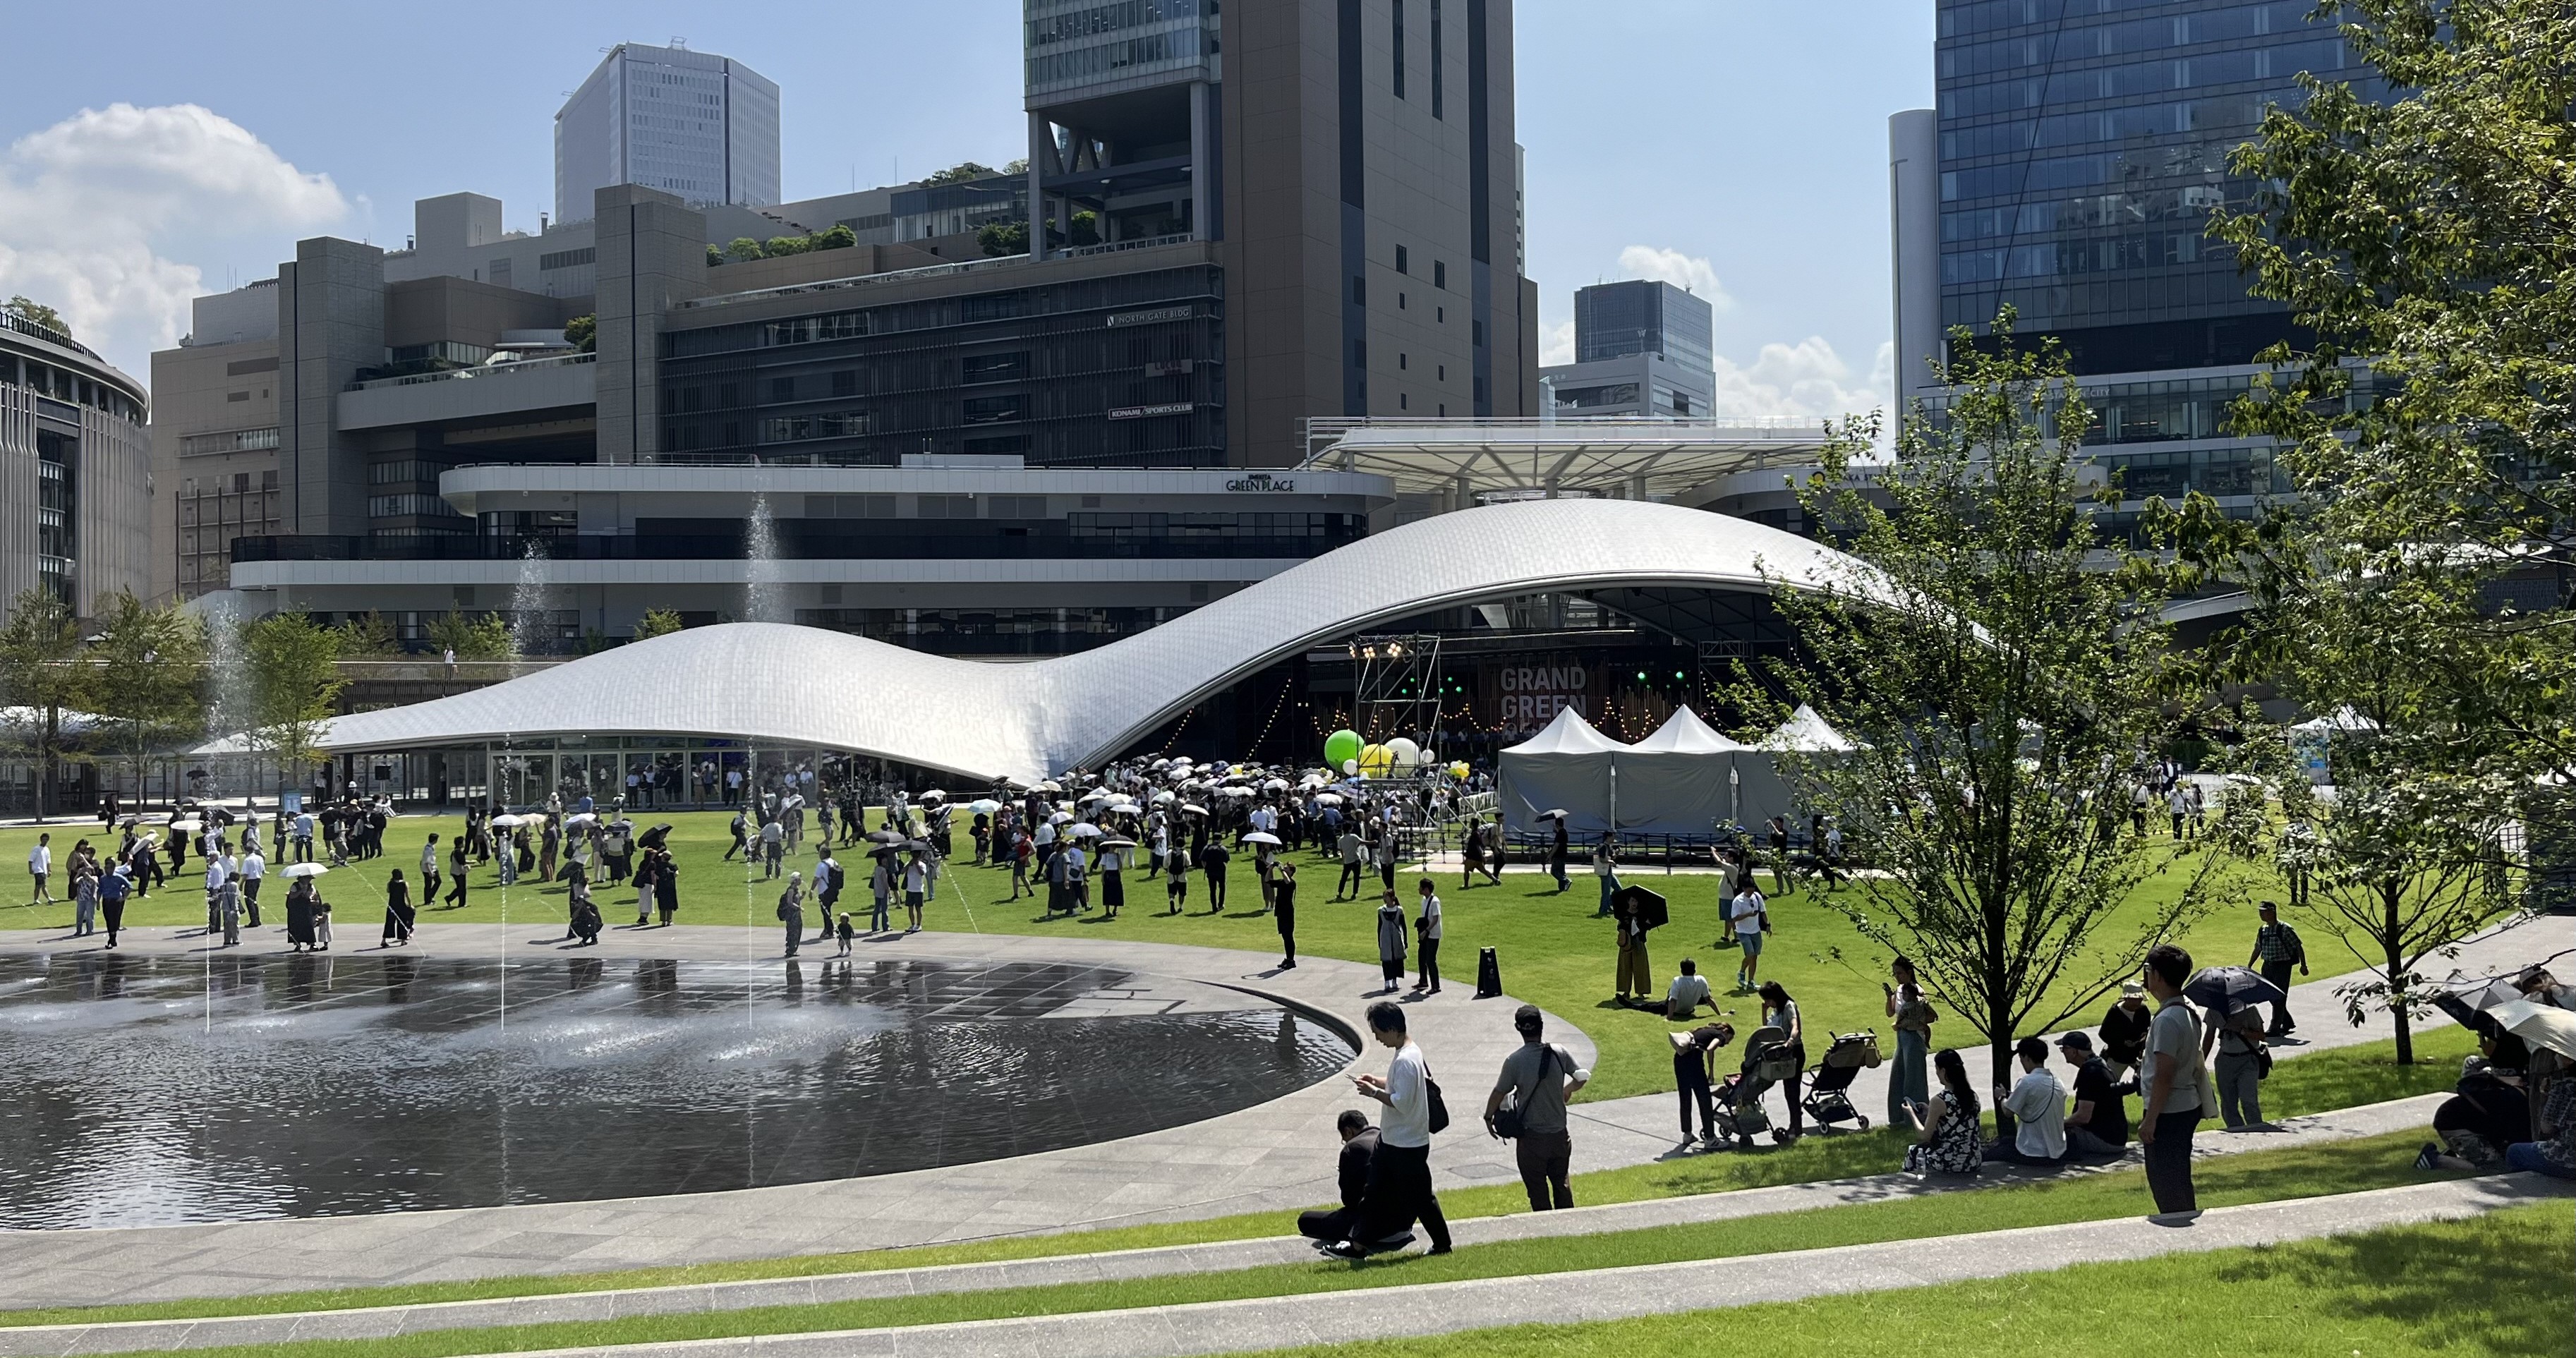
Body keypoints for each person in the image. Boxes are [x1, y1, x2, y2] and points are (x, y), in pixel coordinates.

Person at [1323, 1001, 1451, 1259]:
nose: (1377, 1038)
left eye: (1378, 1032)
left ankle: (1442, 1245)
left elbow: (1402, 1101)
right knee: (1373, 1193)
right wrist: (1378, 1080)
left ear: (1392, 1029)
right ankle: (1357, 1246)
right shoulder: (1410, 1051)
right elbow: (1401, 1086)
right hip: (1393, 1140)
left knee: (1421, 1198)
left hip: (1405, 1145)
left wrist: (1373, 1093)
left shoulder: (1405, 1060)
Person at [1484, 1004, 1590, 1211]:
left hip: (1531, 1140)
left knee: (1537, 1191)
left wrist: (1489, 1117)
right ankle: (1570, 1226)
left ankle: (1546, 1230)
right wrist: (1566, 1091)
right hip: (1560, 1136)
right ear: (1541, 1026)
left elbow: (1499, 1093)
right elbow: (1582, 1076)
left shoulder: (1514, 1061)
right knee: (1562, 1184)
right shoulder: (1560, 1052)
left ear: (1518, 1028)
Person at [2139, 943, 2215, 1223]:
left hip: (2169, 1111)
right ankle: (2183, 1216)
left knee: (2166, 1178)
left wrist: (2151, 1120)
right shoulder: (2185, 1010)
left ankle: (2179, 1225)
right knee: (2177, 1175)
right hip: (2184, 1105)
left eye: (2147, 971)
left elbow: (2164, 1074)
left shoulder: (2168, 1019)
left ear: (2157, 975)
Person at [1298, 1110, 1379, 1244]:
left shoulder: (1352, 1149)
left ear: (1348, 1131)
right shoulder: (1384, 1137)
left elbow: (1349, 1200)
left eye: (1344, 1139)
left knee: (1305, 1220)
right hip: (1400, 1218)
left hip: (1368, 1219)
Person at [1988, 1035, 2069, 1165]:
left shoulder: (2027, 1082)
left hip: (2034, 1152)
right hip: (2057, 1150)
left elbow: (2008, 1112)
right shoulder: (2057, 1081)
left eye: (2021, 1058)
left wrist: (2002, 1096)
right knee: (2006, 1142)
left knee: (1993, 1153)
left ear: (2026, 1058)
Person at [1904, 1048, 1984, 1176]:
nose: (1936, 1073)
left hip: (1950, 1161)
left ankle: (1913, 1184)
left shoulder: (1939, 1100)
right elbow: (1956, 1117)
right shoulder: (1972, 1096)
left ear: (1943, 1071)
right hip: (1973, 1159)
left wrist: (1912, 1114)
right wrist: (1930, 1111)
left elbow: (1924, 1136)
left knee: (1914, 1151)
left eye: (1937, 1069)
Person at [2058, 1031, 2130, 1158]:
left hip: (2103, 1140)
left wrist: (2059, 1124)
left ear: (2074, 1051)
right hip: (2116, 1138)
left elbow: (2083, 1117)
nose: (2062, 1051)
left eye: (2064, 1048)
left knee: (2049, 1136)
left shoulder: (2090, 1073)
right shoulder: (2100, 1064)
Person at [1885, 956, 1936, 1127]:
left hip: (1914, 1038)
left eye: (1900, 973)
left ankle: (1917, 1119)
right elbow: (1891, 1012)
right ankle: (1898, 1118)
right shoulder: (1900, 990)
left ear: (1909, 972)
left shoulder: (1916, 992)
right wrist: (1889, 996)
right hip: (1901, 1037)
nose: (1897, 977)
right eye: (1895, 974)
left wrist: (1913, 1023)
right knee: (1899, 1076)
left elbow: (1929, 1016)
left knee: (1914, 1080)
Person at [2247, 900, 2309, 1038]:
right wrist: (2250, 965)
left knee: (2279, 997)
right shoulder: (2263, 930)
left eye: (2264, 911)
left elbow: (2298, 946)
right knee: (2269, 994)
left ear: (2272, 912)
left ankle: (2275, 1028)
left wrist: (2303, 965)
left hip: (2282, 966)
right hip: (2267, 966)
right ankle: (2287, 1022)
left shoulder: (2285, 929)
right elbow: (2258, 947)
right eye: (2260, 911)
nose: (2261, 914)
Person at [2208, 1000, 2272, 1131]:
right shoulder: (2213, 1011)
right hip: (2225, 1061)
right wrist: (2201, 1060)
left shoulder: (2249, 1010)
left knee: (2249, 1100)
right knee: (2228, 1103)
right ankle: (2237, 1131)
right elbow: (2209, 1035)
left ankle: (2256, 1130)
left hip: (2248, 1059)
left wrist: (2241, 1031)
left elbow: (2261, 1036)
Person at [1758, 981, 1807, 1139]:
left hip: (1794, 1051)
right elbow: (1768, 1029)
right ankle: (1795, 1125)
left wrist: (1791, 1040)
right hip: (1784, 1053)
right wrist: (1764, 1012)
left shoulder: (1788, 1006)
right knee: (1789, 1092)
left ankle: (1797, 1128)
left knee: (1792, 1091)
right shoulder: (1777, 1010)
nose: (1767, 1003)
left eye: (1768, 1000)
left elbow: (1795, 1025)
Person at [2505, 1072, 2576, 1180]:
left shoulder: (2564, 1086)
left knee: (2514, 1151)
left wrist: (2546, 1096)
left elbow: (2546, 1128)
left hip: (2567, 1159)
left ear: (2569, 1060)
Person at [1674, 1018, 1731, 1146]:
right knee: (1704, 1098)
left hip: (1679, 1059)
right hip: (1694, 1062)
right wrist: (1711, 1071)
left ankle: (1687, 1134)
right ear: (1726, 1031)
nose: (1727, 1043)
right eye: (1729, 1039)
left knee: (1685, 1097)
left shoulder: (1703, 1030)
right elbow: (1711, 1049)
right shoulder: (1719, 1035)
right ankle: (1710, 1139)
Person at [2098, 983, 2153, 1081]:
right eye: (2135, 1000)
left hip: (2138, 1056)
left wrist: (2142, 1039)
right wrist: (2122, 1042)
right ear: (2126, 999)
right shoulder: (2114, 1013)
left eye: (2139, 1000)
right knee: (2109, 1082)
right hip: (2118, 1056)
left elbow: (2147, 1030)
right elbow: (2104, 1034)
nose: (2138, 1003)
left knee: (2148, 1081)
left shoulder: (2144, 1011)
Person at [1613, 890, 1655, 1005]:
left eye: (1636, 901)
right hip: (1627, 943)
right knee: (1625, 967)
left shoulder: (1642, 914)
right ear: (1628, 902)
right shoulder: (1623, 914)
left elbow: (1646, 927)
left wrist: (1646, 924)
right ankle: (1626, 991)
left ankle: (1641, 991)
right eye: (1632, 901)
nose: (1634, 903)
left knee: (1640, 966)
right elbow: (1620, 928)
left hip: (1639, 942)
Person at [1728, 881, 1768, 993]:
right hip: (1743, 931)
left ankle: (1751, 981)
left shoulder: (1757, 897)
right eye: (1749, 890)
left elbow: (1763, 912)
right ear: (1744, 889)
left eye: (1753, 890)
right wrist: (1749, 915)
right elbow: (1734, 918)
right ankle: (1741, 972)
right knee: (1750, 954)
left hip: (1755, 931)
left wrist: (1768, 925)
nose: (1751, 893)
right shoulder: (1738, 901)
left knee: (1754, 956)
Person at [1374, 889, 1409, 993]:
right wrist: (1379, 940)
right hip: (1385, 938)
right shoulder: (1381, 910)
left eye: (1387, 896)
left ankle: (1394, 981)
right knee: (1386, 960)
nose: (1385, 899)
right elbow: (1379, 926)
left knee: (1396, 959)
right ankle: (1387, 982)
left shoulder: (1399, 910)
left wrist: (1406, 940)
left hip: (1396, 939)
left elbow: (1404, 926)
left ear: (1392, 898)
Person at [1413, 878, 1444, 994]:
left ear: (1426, 889)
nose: (1419, 889)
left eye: (1421, 887)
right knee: (1422, 957)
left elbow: (1436, 918)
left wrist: (1426, 931)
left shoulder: (1435, 901)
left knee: (1430, 960)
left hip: (1433, 935)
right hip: (1425, 933)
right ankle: (1423, 981)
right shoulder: (1424, 900)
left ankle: (1436, 986)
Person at [1665, 957, 1715, 1021]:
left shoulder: (1677, 981)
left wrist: (1669, 1017)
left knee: (1652, 1006)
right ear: (1694, 971)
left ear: (1681, 971)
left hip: (1675, 1010)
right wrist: (1720, 1014)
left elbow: (1673, 1000)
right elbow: (1709, 999)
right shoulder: (1701, 980)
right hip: (1689, 1009)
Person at [97, 863, 130, 949]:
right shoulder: (103, 878)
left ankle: (112, 939)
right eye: (106, 868)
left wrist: (124, 897)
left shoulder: (118, 878)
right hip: (106, 900)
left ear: (113, 868)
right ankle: (112, 938)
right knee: (108, 919)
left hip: (115, 901)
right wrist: (97, 902)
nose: (107, 870)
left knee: (114, 920)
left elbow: (129, 887)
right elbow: (100, 890)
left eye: (109, 868)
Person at [1274, 862, 1299, 969]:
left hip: (1288, 913)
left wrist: (1281, 870)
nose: (1284, 870)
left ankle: (1291, 960)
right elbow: (1267, 880)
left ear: (1291, 872)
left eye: (1286, 869)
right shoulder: (1280, 882)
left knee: (1289, 936)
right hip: (1280, 912)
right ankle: (1288, 958)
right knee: (1284, 936)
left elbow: (1287, 881)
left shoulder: (1292, 883)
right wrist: (1271, 868)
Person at [382, 868, 413, 947]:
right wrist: (410, 905)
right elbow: (407, 896)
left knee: (389, 923)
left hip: (392, 905)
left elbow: (388, 891)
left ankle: (384, 940)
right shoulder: (404, 884)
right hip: (401, 905)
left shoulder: (390, 883)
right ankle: (403, 940)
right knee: (402, 923)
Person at [777, 871, 806, 957]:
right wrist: (799, 908)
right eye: (799, 879)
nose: (801, 881)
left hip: (796, 915)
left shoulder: (796, 889)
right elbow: (790, 902)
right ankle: (790, 949)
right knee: (792, 931)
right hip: (792, 915)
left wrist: (802, 897)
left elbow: (796, 900)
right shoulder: (791, 890)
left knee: (798, 931)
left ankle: (794, 949)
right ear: (795, 880)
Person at [1199, 837, 1230, 912]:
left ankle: (1214, 907)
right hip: (1221, 871)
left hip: (1210, 871)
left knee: (1212, 890)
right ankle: (1221, 904)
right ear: (1220, 840)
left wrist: (1206, 868)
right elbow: (1226, 860)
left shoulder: (1207, 848)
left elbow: (1202, 860)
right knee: (1222, 887)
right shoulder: (1223, 848)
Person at [1592, 838, 1620, 917]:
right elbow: (1602, 859)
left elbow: (1612, 857)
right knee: (1606, 892)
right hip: (1605, 872)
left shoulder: (1609, 847)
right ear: (1608, 837)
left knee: (1618, 889)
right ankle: (1603, 909)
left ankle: (1608, 904)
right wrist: (1611, 862)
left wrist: (1616, 854)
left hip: (1609, 871)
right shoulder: (1603, 847)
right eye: (1613, 836)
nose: (1614, 838)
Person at [238, 845, 265, 927]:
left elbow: (246, 874)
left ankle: (254, 921)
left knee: (249, 901)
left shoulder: (248, 860)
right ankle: (257, 919)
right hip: (257, 880)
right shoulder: (259, 858)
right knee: (253, 900)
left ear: (247, 851)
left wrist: (241, 884)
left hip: (250, 881)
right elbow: (263, 870)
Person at [902, 852, 929, 933]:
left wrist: (917, 865)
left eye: (916, 857)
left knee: (918, 908)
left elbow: (922, 873)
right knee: (910, 908)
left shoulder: (922, 865)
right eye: (914, 857)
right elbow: (902, 872)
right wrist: (909, 864)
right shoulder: (908, 864)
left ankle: (919, 925)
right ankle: (912, 924)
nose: (915, 858)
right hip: (910, 889)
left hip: (918, 890)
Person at [1336, 825, 1365, 901]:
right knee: (1356, 877)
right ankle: (1354, 893)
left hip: (1347, 861)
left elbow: (1341, 850)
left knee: (1344, 878)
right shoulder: (1353, 836)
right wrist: (1373, 842)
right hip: (1355, 859)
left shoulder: (1341, 839)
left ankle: (1340, 892)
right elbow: (1362, 842)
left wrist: (1343, 858)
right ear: (1349, 829)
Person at [27, 832, 51, 907]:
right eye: (43, 839)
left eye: (46, 839)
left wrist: (49, 870)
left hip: (44, 870)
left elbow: (48, 861)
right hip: (38, 870)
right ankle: (48, 899)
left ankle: (36, 900)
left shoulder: (47, 849)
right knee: (42, 885)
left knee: (40, 885)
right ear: (41, 840)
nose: (45, 841)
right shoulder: (36, 849)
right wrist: (31, 869)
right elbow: (31, 860)